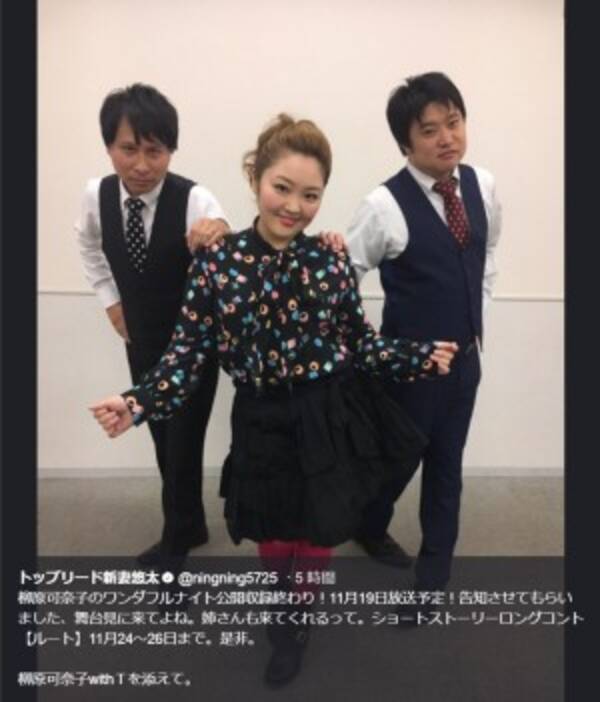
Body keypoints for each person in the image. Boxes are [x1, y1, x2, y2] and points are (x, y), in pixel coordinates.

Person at [90, 113, 458, 686]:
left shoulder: (331, 262)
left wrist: (419, 356)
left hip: (326, 414)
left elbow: (360, 345)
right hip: (260, 418)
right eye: (282, 187)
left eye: (311, 195)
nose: (294, 206)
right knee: (274, 532)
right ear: (255, 178)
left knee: (316, 530)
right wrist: (136, 403)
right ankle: (282, 602)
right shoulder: (217, 264)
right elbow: (186, 357)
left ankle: (297, 616)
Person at [346, 72, 502, 614]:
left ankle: (432, 581)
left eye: (453, 122)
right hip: (407, 373)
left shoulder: (482, 185)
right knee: (394, 464)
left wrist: (475, 321)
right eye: (429, 130)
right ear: (405, 143)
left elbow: (486, 254)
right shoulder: (382, 204)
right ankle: (369, 524)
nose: (446, 138)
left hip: (464, 366)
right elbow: (341, 280)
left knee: (446, 470)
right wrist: (366, 347)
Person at [76, 83, 230, 566]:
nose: (141, 165)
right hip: (140, 343)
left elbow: (227, 243)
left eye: (155, 151)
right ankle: (191, 524)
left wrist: (220, 232)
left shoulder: (194, 198)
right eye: (129, 149)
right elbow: (88, 247)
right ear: (109, 147)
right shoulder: (97, 196)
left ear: (170, 150)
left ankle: (174, 549)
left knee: (182, 448)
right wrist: (111, 302)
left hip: (192, 353)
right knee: (163, 443)